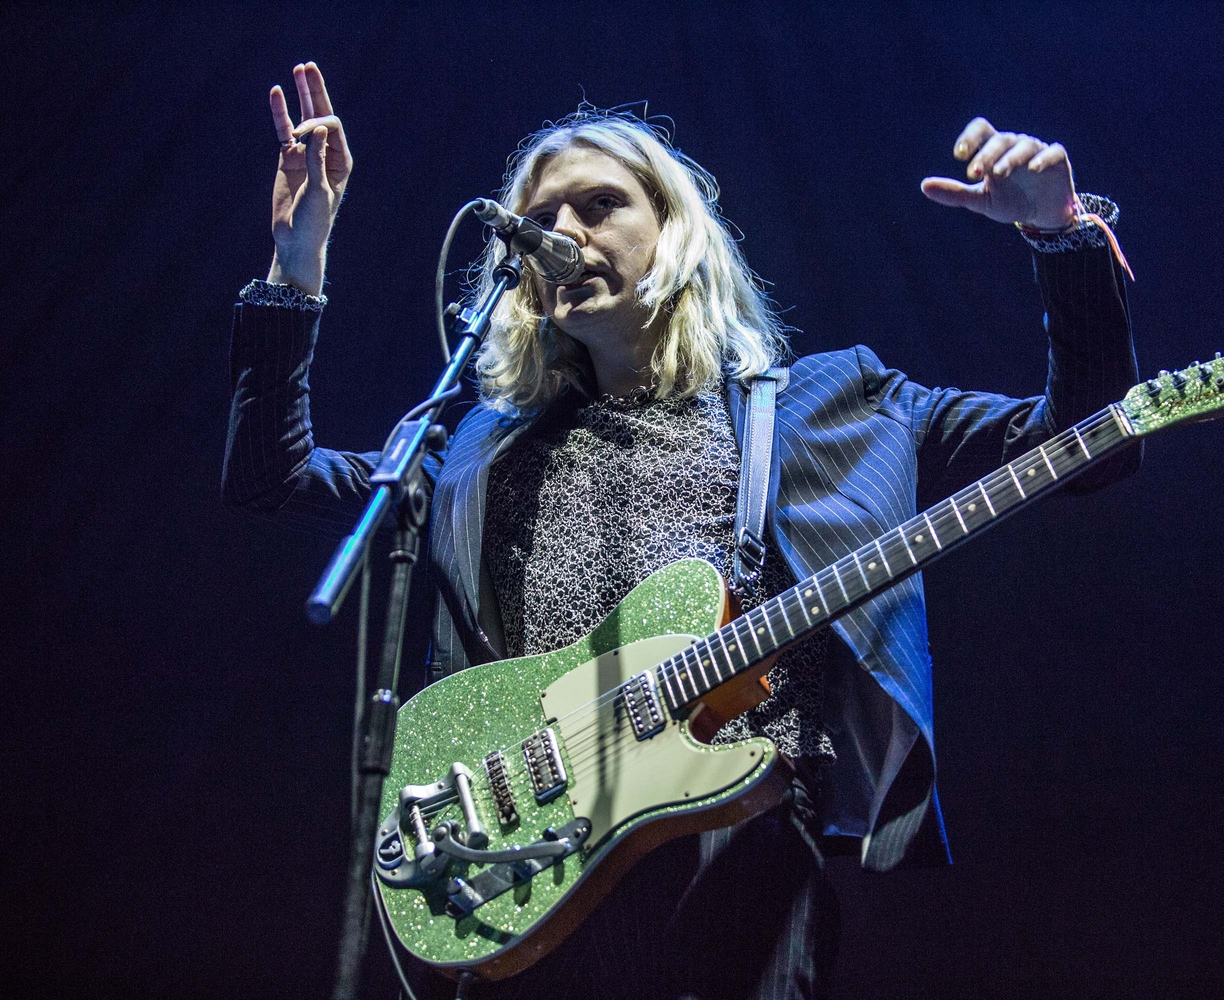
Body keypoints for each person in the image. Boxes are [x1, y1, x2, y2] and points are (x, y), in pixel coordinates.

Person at [224, 61, 1141, 1000]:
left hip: (735, 862)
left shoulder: (835, 405)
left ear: (672, 230)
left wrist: (1058, 237)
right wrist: (297, 269)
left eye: (598, 205)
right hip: (535, 860)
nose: (562, 236)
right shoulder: (477, 450)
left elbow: (1087, 446)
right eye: (539, 222)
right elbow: (272, 478)